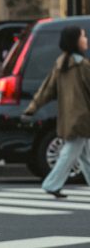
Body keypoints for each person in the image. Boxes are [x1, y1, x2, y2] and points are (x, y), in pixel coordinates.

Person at [22, 26, 90, 198]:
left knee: (84, 155)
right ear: (75, 41)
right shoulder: (82, 65)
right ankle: (52, 184)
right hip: (81, 118)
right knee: (71, 153)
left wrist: (31, 109)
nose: (86, 40)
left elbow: (46, 90)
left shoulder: (61, 64)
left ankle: (53, 184)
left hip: (71, 117)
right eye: (83, 36)